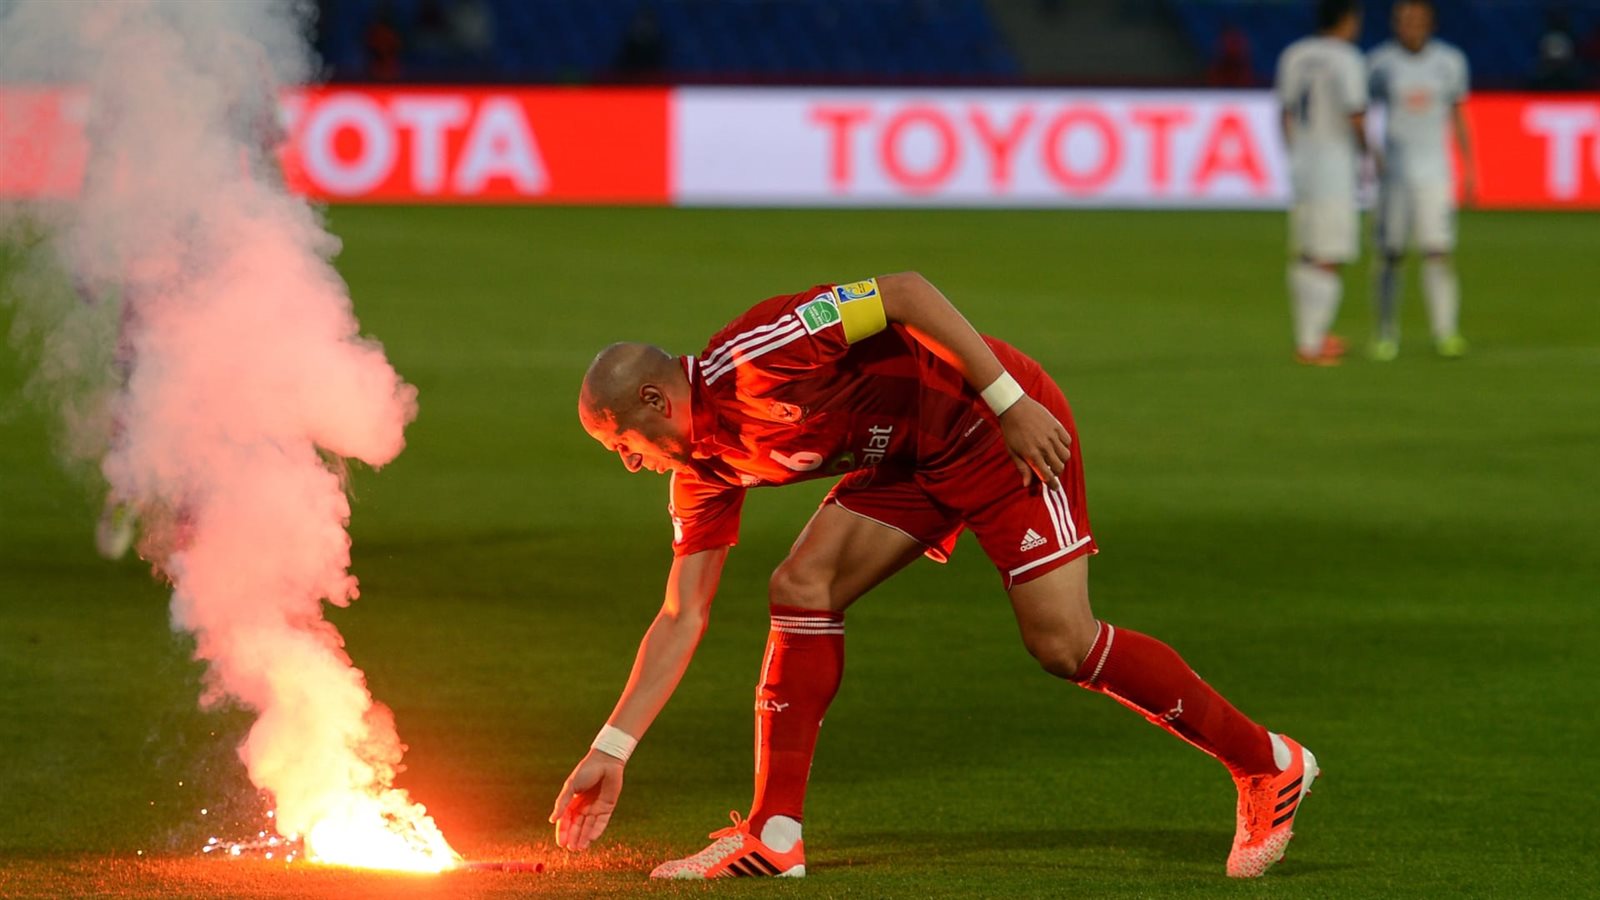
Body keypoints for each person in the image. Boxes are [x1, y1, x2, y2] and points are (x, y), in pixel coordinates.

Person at [548, 273, 1320, 880]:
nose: (629, 463)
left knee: (1063, 644)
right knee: (801, 587)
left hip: (992, 425)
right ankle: (774, 835)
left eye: (623, 443)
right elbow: (681, 614)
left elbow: (906, 293)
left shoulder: (758, 354)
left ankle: (1267, 763)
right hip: (911, 459)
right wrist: (612, 748)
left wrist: (1010, 403)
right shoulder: (703, 471)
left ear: (654, 399)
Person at [1367, 0, 1472, 360]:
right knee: (1391, 253)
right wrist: (1371, 156)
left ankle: (1446, 332)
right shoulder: (1380, 63)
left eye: (1416, 19)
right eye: (1403, 19)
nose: (1409, 26)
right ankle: (1385, 332)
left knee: (1438, 251)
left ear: (1431, 23)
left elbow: (1458, 115)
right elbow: (1361, 110)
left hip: (1434, 173)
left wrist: (1469, 167)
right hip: (1394, 176)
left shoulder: (1450, 62)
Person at [1274, 0, 1369, 366]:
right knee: (1329, 255)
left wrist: (1295, 154)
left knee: (1305, 253)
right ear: (1347, 20)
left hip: (1303, 166)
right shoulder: (1347, 58)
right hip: (1334, 168)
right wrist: (1368, 154)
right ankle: (1312, 343)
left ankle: (1308, 334)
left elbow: (1284, 114)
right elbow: (1356, 114)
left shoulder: (1294, 54)